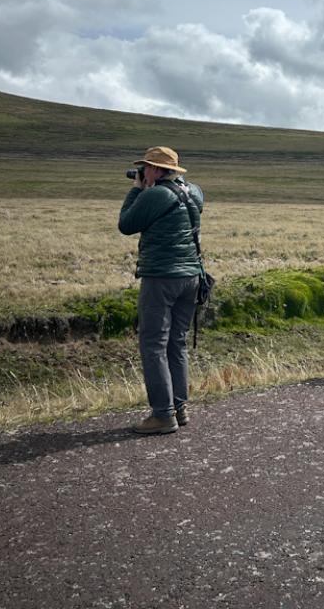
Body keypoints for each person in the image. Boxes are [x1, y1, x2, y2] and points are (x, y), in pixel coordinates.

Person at [118, 146, 204, 435]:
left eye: (145, 168)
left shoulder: (154, 194)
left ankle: (162, 415)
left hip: (161, 278)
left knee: (153, 344)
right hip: (192, 276)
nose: (142, 173)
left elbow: (126, 224)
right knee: (176, 343)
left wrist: (137, 190)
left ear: (154, 169)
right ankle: (180, 408)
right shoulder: (195, 192)